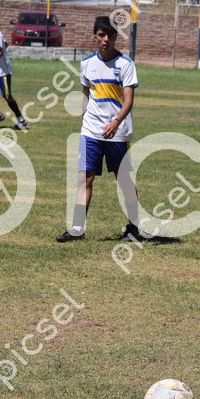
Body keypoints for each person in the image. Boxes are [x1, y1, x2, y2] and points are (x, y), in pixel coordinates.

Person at [56, 16, 141, 243]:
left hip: (118, 133)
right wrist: (85, 117)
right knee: (85, 178)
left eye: (110, 35)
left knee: (123, 180)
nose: (106, 39)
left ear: (116, 37)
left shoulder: (125, 65)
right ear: (95, 36)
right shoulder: (86, 63)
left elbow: (129, 100)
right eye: (102, 35)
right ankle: (77, 228)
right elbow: (86, 93)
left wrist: (115, 122)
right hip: (91, 131)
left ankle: (134, 227)